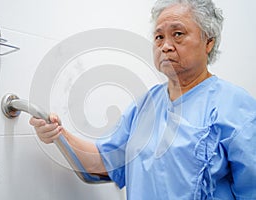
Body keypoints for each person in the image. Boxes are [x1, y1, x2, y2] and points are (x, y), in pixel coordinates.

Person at [29, 0, 256, 199]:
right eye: (159, 37)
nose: (165, 46)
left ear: (208, 42)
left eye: (178, 34)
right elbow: (102, 161)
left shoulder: (236, 107)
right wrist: (58, 134)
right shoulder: (145, 106)